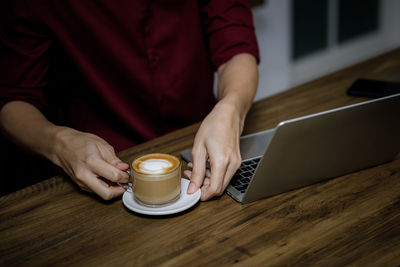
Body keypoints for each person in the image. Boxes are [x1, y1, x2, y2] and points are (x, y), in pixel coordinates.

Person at [0, 1, 259, 200]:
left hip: (201, 147)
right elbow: (13, 99)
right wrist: (59, 143)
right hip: (101, 172)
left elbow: (236, 47)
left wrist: (231, 107)